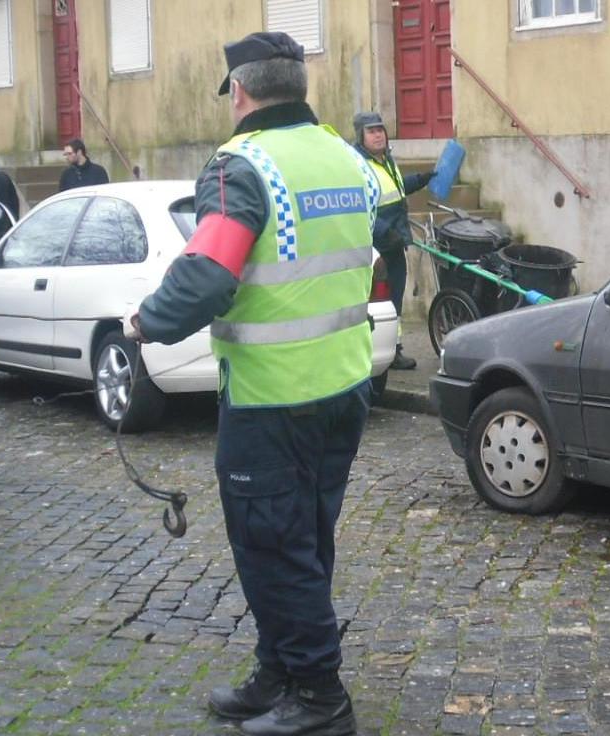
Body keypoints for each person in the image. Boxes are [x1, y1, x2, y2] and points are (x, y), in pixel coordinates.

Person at [127, 31, 378, 736]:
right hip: (346, 387)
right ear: (299, 86)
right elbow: (388, 234)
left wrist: (145, 322)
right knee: (307, 539)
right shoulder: (348, 157)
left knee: (273, 544)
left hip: (273, 398)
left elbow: (208, 273)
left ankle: (321, 699)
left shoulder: (241, 167)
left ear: (239, 91)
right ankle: (283, 671)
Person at [351, 112, 433, 370]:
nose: (378, 135)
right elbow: (363, 206)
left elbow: (394, 190)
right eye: (371, 131)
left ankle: (393, 349)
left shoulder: (386, 160)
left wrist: (420, 180)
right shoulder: (359, 166)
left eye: (380, 130)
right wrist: (387, 233)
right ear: (360, 136)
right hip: (378, 247)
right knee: (380, 302)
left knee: (395, 299)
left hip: (395, 243)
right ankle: (379, 349)